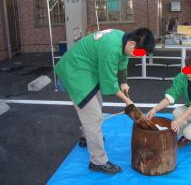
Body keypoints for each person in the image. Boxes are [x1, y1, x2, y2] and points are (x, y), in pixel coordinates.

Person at [55, 28, 155, 174]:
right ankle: (98, 161)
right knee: (93, 117)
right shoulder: (111, 49)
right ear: (132, 43)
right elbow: (109, 82)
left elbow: (122, 62)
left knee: (97, 104)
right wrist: (127, 101)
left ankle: (85, 137)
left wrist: (124, 81)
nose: (138, 56)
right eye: (138, 53)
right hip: (75, 71)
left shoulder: (122, 38)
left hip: (86, 68)